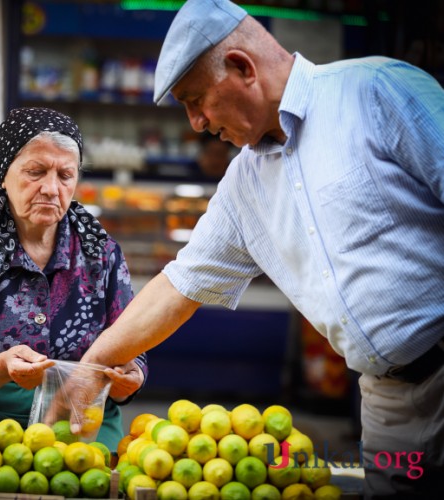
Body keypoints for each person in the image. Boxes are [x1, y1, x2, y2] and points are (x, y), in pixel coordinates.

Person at [73, 1, 444, 498]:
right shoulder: (244, 185)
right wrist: (89, 367)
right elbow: (180, 285)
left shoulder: (376, 92)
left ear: (242, 68)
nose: (197, 124)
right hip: (388, 402)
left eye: (196, 100)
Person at [0, 107, 147, 452]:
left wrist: (128, 379)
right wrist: (3, 367)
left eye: (66, 176)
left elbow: (133, 354)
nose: (51, 188)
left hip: (76, 425)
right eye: (36, 171)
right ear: (3, 174)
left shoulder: (102, 254)